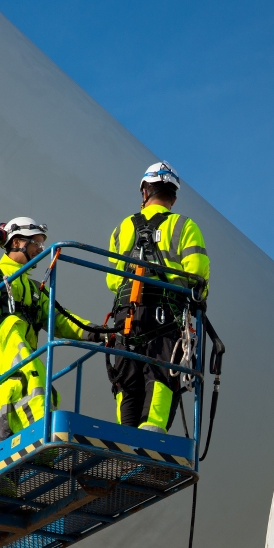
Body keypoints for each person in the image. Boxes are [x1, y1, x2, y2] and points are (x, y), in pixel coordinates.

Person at [104, 161, 209, 433]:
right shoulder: (184, 225)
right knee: (161, 373)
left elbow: (112, 280)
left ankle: (124, 438)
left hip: (126, 316)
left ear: (144, 192)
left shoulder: (122, 228)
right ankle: (152, 435)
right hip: (166, 315)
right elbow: (197, 276)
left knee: (126, 377)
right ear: (173, 197)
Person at [0, 217, 93, 440]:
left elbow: (61, 320)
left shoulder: (35, 290)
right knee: (30, 377)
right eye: (35, 243)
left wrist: (98, 332)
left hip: (21, 362)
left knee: (39, 381)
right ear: (15, 242)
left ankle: (40, 429)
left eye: (42, 245)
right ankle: (39, 431)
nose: (40, 250)